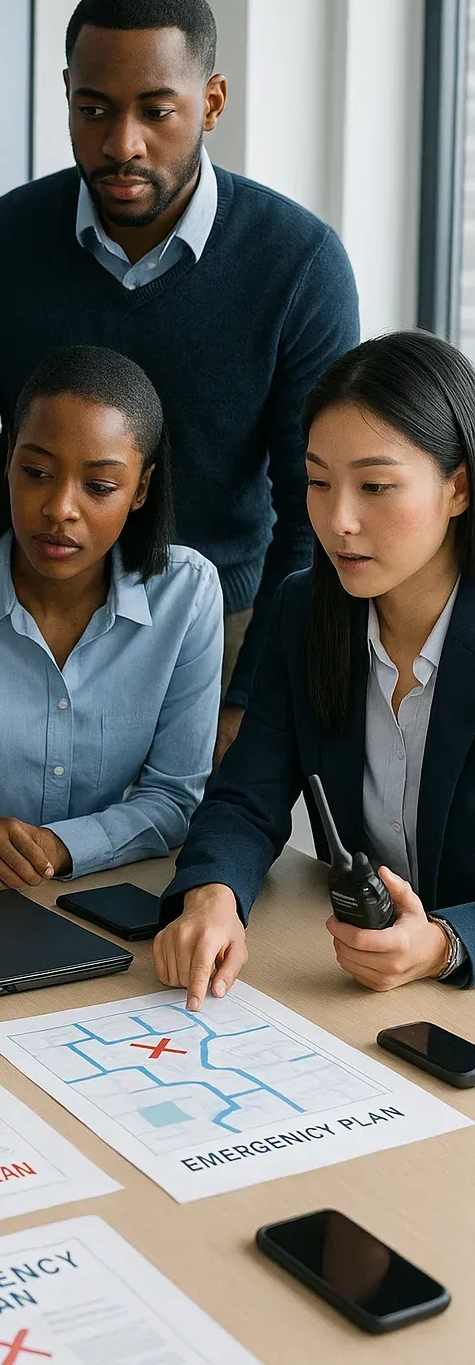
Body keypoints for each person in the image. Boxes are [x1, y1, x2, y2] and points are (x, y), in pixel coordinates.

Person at [0, 0, 359, 763]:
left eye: (157, 110)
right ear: (68, 94)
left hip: (224, 636)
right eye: (95, 109)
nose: (122, 144)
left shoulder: (300, 263)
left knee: (189, 877)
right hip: (17, 623)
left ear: (212, 102)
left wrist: (251, 692)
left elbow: (315, 506)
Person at [153, 331, 475, 1008]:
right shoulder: (305, 607)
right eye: (319, 482)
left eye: (375, 486)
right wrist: (214, 897)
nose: (339, 520)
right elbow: (247, 796)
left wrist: (447, 942)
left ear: (458, 488)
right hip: (368, 1001)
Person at [0, 346, 223, 889]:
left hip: (111, 891)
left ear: (141, 489)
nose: (60, 508)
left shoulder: (186, 597)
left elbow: (174, 798)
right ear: (7, 466)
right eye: (37, 472)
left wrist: (61, 847)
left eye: (99, 487)